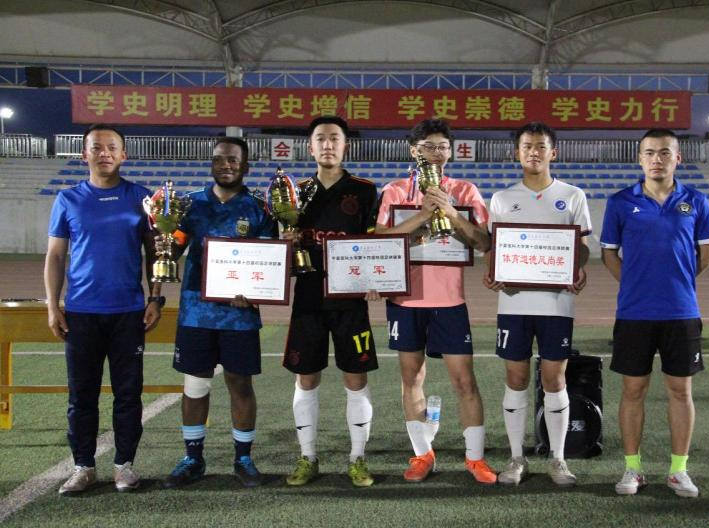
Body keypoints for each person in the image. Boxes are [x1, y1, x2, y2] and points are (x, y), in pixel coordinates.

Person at [375, 118, 496, 484]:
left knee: (464, 381)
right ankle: (422, 454)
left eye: (443, 146)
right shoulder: (395, 191)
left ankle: (475, 459)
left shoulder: (465, 190)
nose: (437, 152)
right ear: (414, 150)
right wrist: (424, 216)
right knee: (412, 379)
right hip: (405, 300)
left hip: (449, 300)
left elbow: (483, 242)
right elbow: (381, 239)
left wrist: (452, 213)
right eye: (429, 146)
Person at [600, 128, 709, 498]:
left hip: (681, 311)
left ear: (677, 158)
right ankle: (632, 468)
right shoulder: (621, 202)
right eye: (650, 152)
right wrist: (635, 283)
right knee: (633, 389)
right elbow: (608, 253)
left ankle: (678, 470)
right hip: (634, 313)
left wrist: (677, 282)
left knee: (680, 390)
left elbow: (707, 254)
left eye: (665, 152)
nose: (657, 159)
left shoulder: (695, 201)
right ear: (640, 159)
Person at [45, 124, 162, 495]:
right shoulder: (68, 199)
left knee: (128, 394)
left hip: (128, 312)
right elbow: (55, 256)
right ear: (85, 155)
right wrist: (53, 305)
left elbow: (155, 253)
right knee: (81, 395)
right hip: (81, 312)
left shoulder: (142, 198)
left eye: (112, 147)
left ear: (123, 155)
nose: (105, 153)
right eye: (97, 147)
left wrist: (155, 297)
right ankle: (83, 466)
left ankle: (124, 465)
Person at [161, 136, 277, 489]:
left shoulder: (260, 209)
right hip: (196, 312)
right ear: (211, 163)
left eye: (233, 160)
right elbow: (172, 250)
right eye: (219, 159)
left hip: (239, 315)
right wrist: (162, 241)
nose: (226, 165)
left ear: (245, 166)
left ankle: (243, 458)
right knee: (195, 384)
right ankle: (192, 458)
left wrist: (255, 292)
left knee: (240, 383)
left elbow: (271, 260)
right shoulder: (188, 205)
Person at [483, 122, 591, 487]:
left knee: (554, 378)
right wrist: (492, 272)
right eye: (527, 145)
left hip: (557, 303)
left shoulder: (573, 195)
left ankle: (558, 459)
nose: (534, 152)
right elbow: (494, 250)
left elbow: (582, 247)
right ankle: (517, 458)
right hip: (513, 303)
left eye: (541, 146)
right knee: (515, 378)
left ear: (552, 152)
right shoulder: (502, 198)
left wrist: (577, 268)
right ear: (517, 152)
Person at [282, 116, 380, 488]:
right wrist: (286, 245)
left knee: (355, 377)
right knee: (306, 377)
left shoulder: (365, 190)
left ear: (345, 146)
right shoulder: (295, 193)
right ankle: (308, 456)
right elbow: (283, 253)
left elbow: (376, 242)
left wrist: (376, 278)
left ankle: (357, 457)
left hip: (350, 300)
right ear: (310, 147)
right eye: (320, 139)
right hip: (308, 299)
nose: (327, 145)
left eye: (334, 138)